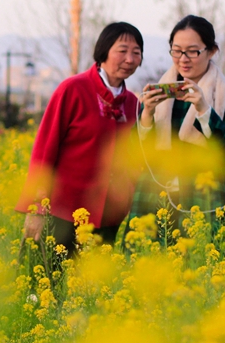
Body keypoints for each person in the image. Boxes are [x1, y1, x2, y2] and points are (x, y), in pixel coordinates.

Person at [16, 21, 144, 253]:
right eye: (122, 51)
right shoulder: (72, 89)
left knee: (91, 288)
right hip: (60, 213)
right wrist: (36, 209)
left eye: (136, 53)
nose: (130, 59)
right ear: (104, 51)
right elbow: (45, 151)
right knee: (40, 286)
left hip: (107, 219)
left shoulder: (134, 104)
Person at [129, 15, 225, 228]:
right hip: (154, 197)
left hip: (204, 199)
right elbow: (139, 155)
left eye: (193, 51)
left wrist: (204, 110)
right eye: (176, 50)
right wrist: (146, 114)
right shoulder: (159, 94)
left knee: (203, 259)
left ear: (211, 51)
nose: (183, 58)